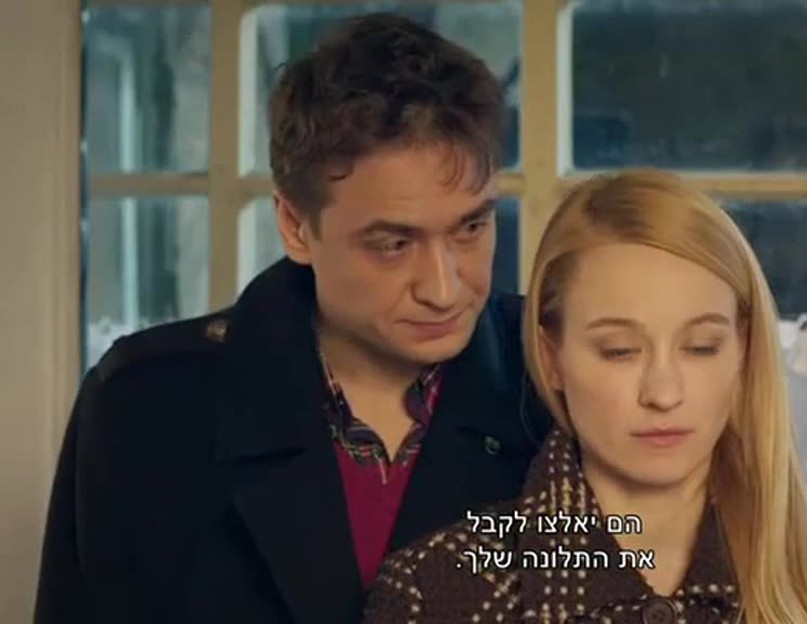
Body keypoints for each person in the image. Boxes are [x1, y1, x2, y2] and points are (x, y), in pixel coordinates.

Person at [35, 13, 550, 624]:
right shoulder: (144, 408)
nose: (444, 289)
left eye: (471, 228)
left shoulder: (560, 382)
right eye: (393, 244)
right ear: (295, 227)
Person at [362, 170, 807, 623]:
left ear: (744, 351)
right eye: (619, 351)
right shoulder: (435, 591)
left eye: (701, 347)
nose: (663, 393)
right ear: (552, 358)